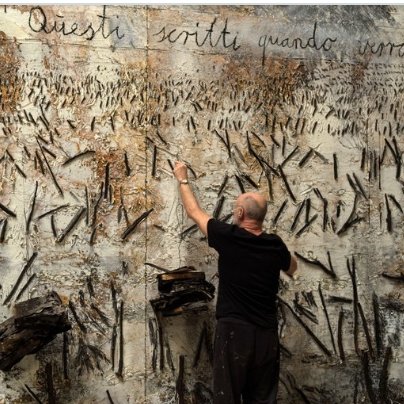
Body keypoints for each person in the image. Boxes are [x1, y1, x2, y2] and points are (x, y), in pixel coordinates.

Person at [173, 161, 297, 404]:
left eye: (235, 208)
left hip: (234, 332)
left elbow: (194, 212)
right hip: (266, 335)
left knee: (226, 397)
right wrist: (275, 254)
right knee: (262, 399)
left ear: (240, 213)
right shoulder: (275, 244)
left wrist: (182, 178)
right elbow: (292, 268)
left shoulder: (228, 237)